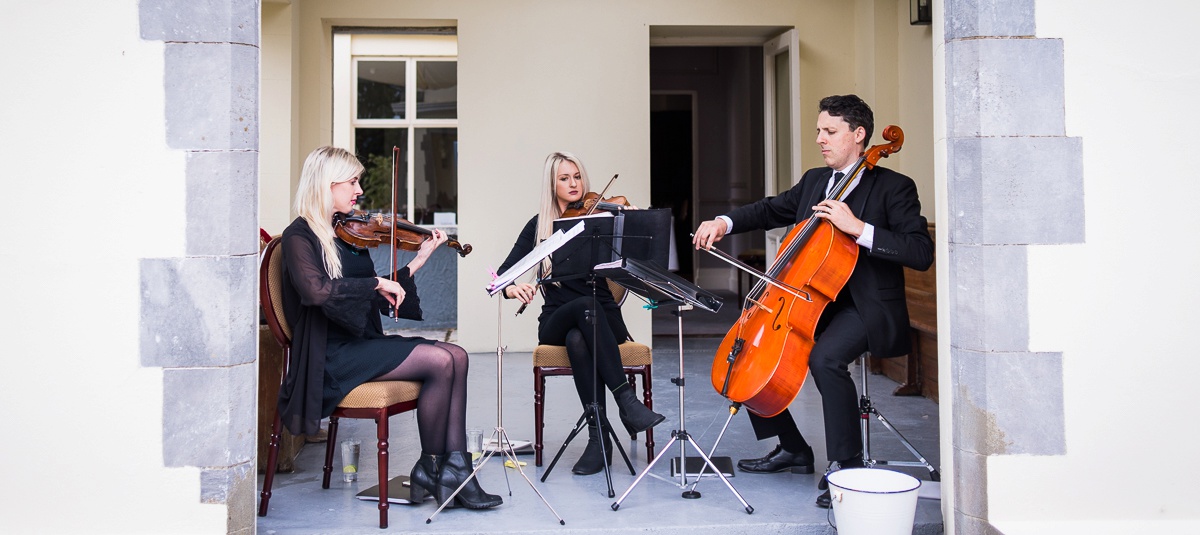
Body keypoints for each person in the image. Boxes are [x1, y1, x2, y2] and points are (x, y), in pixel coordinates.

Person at [692, 95, 933, 508]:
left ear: (859, 136)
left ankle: (847, 464)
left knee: (825, 359)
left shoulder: (894, 187)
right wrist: (724, 221)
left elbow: (919, 252)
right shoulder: (814, 181)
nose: (820, 139)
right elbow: (770, 209)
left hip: (863, 305)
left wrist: (859, 228)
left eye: (830, 131)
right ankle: (792, 448)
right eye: (819, 130)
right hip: (811, 300)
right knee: (750, 351)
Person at [276, 146, 501, 510]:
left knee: (457, 355)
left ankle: (450, 467)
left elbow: (374, 295)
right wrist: (376, 284)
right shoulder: (299, 236)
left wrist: (418, 260)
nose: (359, 190)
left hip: (359, 344)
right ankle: (437, 469)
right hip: (330, 358)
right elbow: (318, 292)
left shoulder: (346, 235)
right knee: (442, 361)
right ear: (326, 184)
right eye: (352, 181)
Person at [497, 151, 666, 476]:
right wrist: (511, 288)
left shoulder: (600, 219)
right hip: (555, 320)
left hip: (604, 318)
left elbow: (636, 261)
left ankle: (597, 437)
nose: (573, 184)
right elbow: (503, 274)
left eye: (577, 176)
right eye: (564, 178)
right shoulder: (540, 226)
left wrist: (627, 222)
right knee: (578, 319)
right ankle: (627, 403)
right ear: (552, 184)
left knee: (579, 337)